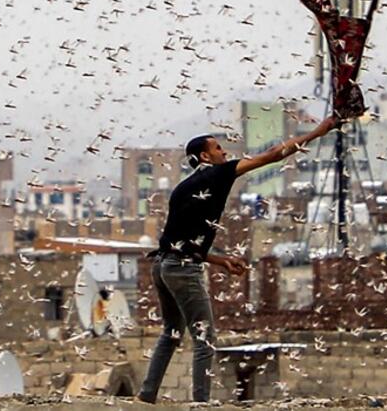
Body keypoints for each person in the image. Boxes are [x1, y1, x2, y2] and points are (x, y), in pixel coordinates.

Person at [137, 115, 339, 404]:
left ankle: (146, 396)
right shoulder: (217, 174)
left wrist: (220, 260)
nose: (225, 153)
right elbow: (271, 155)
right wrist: (319, 131)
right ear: (205, 156)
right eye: (219, 148)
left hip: (162, 266)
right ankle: (201, 403)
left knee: (170, 333)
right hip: (182, 269)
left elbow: (180, 241)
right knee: (205, 339)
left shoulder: (182, 188)